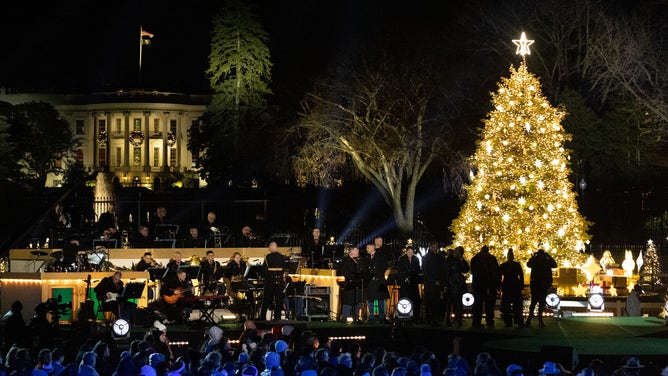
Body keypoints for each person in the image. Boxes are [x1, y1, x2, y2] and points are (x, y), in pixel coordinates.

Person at [470, 245, 500, 328]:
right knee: (489, 305)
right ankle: (489, 321)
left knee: (478, 305)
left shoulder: (475, 259)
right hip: (489, 285)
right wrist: (497, 284)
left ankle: (477, 322)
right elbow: (497, 272)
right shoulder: (492, 259)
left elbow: (473, 272)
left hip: (479, 285)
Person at [526, 248, 557, 327]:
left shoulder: (536, 260)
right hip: (542, 283)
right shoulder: (546, 261)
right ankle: (539, 319)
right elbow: (554, 264)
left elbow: (528, 264)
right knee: (540, 302)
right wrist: (548, 256)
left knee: (534, 302)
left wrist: (533, 257)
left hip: (537, 283)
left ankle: (530, 319)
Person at [338, 247, 367, 323]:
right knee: (348, 302)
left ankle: (356, 317)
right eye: (356, 251)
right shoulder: (345, 261)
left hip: (358, 284)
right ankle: (345, 317)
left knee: (357, 301)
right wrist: (354, 277)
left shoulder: (360, 260)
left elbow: (364, 270)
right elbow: (345, 273)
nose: (357, 252)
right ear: (350, 252)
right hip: (350, 284)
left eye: (358, 250)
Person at [443, 246, 469, 327]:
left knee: (458, 303)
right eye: (455, 252)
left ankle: (458, 319)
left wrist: (462, 261)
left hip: (458, 283)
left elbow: (465, 269)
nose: (456, 254)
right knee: (450, 302)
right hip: (451, 283)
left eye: (458, 253)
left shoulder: (459, 260)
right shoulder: (449, 260)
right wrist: (445, 284)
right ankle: (449, 319)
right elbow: (446, 272)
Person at [261, 241, 287, 320]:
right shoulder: (282, 257)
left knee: (266, 299)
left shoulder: (267, 257)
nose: (269, 248)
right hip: (279, 281)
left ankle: (263, 317)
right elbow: (284, 270)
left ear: (272, 247)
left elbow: (264, 271)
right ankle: (277, 317)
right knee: (279, 300)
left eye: (269, 247)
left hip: (269, 281)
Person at [499, 248, 524, 327]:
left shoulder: (504, 265)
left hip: (508, 286)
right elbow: (521, 276)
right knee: (516, 305)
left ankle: (509, 321)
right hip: (514, 286)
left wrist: (499, 285)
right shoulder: (516, 265)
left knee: (508, 305)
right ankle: (516, 321)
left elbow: (499, 276)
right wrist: (521, 284)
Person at [422, 241, 445, 326]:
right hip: (429, 283)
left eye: (436, 246)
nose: (435, 248)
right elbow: (425, 271)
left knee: (436, 302)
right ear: (430, 247)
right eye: (433, 246)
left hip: (437, 284)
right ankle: (429, 319)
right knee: (429, 302)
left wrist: (440, 281)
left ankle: (435, 318)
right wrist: (433, 280)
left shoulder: (439, 258)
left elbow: (442, 270)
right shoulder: (425, 258)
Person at [396, 246, 422, 321]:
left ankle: (415, 316)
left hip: (413, 282)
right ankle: (404, 315)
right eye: (409, 252)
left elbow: (418, 270)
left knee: (415, 299)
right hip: (404, 282)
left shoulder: (416, 259)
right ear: (406, 252)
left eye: (412, 252)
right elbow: (400, 270)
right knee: (405, 298)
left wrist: (411, 277)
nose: (410, 253)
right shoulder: (401, 259)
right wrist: (405, 277)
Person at [365, 243, 389, 322]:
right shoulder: (366, 257)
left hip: (380, 280)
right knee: (370, 299)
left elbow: (384, 267)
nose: (366, 249)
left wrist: (377, 275)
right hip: (370, 282)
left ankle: (382, 317)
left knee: (381, 299)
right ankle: (371, 317)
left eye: (368, 248)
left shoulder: (380, 256)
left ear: (372, 248)